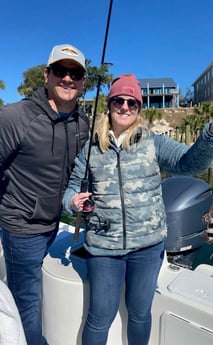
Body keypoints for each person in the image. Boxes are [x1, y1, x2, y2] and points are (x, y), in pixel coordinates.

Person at [63, 74, 213, 345]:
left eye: (133, 103)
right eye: (119, 100)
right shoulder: (90, 149)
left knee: (140, 314)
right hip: (104, 248)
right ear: (109, 104)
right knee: (99, 318)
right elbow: (72, 187)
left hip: (148, 248)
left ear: (139, 109)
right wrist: (72, 202)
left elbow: (190, 164)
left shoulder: (153, 143)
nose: (125, 108)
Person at [0, 44, 90, 345]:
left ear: (83, 81)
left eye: (75, 73)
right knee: (26, 301)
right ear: (46, 75)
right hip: (22, 228)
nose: (68, 79)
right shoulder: (15, 117)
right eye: (60, 71)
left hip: (55, 222)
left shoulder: (82, 123)